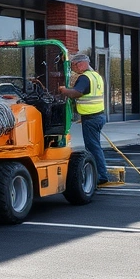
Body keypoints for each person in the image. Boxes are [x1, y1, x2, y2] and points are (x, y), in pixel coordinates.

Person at [58, 54, 110, 186]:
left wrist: (64, 91)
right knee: (95, 146)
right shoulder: (96, 76)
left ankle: (101, 176)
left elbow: (77, 92)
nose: (73, 68)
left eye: (74, 65)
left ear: (81, 64)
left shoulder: (85, 78)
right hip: (97, 115)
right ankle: (100, 173)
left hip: (91, 118)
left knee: (93, 147)